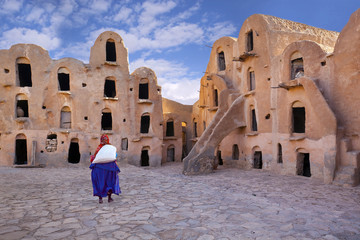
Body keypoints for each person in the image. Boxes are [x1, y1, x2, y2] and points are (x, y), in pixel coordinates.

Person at [89, 134, 121, 203]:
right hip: (109, 168)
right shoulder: (110, 147)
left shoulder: (99, 148)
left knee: (101, 182)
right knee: (109, 182)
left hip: (102, 169)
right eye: (104, 140)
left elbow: (94, 158)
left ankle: (101, 198)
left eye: (105, 139)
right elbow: (114, 156)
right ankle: (109, 198)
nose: (104, 141)